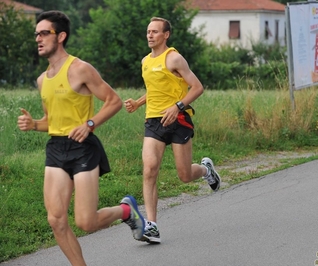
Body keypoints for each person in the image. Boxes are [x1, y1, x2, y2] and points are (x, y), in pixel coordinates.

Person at [17, 11, 144, 265]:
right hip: (56, 147)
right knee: (55, 220)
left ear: (60, 36)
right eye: (36, 34)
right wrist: (34, 125)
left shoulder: (80, 69)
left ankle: (126, 211)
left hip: (83, 148)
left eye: (44, 33)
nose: (38, 39)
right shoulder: (42, 80)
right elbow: (53, 121)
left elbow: (113, 101)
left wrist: (90, 123)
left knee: (86, 222)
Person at [124, 17, 221, 244]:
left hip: (178, 119)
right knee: (149, 169)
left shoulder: (174, 58)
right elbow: (155, 90)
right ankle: (152, 225)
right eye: (148, 31)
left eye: (155, 32)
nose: (150, 35)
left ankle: (206, 170)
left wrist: (178, 106)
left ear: (165, 35)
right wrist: (139, 103)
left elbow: (197, 87)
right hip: (154, 122)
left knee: (184, 175)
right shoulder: (145, 61)